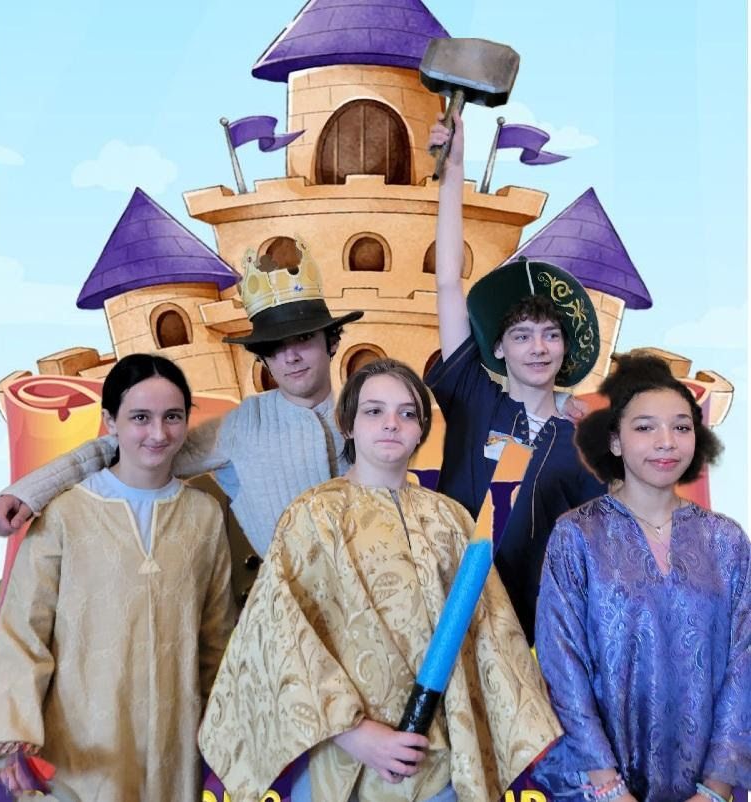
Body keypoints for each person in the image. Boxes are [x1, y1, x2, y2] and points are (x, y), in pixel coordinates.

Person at [198, 357, 562, 802]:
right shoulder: (313, 515)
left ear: (421, 429)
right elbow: (277, 636)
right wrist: (355, 733)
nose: (392, 423)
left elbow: (491, 630)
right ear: (348, 425)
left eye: (407, 413)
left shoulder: (450, 519)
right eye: (374, 411)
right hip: (346, 759)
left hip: (438, 756)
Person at [0, 239, 363, 560]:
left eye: (304, 339)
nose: (290, 357)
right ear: (263, 358)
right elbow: (119, 448)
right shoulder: (242, 425)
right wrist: (29, 492)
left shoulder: (371, 413)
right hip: (290, 604)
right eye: (275, 347)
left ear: (331, 342)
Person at [0, 354, 236, 801]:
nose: (158, 433)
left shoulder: (205, 515)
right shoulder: (66, 513)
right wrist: (10, 737)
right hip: (81, 751)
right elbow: (23, 631)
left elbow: (216, 635)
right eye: (140, 417)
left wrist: (223, 728)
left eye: (172, 417)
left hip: (175, 747)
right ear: (110, 422)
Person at [534, 352, 750, 802]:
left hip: (705, 787)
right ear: (615, 441)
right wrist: (607, 785)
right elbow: (562, 663)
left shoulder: (726, 540)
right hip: (601, 787)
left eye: (681, 427)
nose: (666, 442)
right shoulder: (577, 535)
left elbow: (743, 663)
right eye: (645, 427)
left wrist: (715, 788)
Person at [425, 110, 606, 642]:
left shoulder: (583, 445)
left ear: (565, 348)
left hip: (529, 640)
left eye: (550, 335)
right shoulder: (472, 396)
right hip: (446, 622)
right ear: (499, 347)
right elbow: (447, 283)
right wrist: (455, 171)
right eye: (522, 335)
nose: (538, 347)